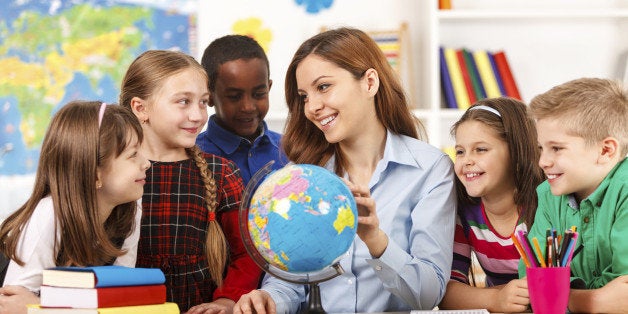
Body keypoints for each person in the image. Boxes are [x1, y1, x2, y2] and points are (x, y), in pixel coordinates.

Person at [233, 27, 457, 313]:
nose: (312, 107)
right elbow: (289, 281)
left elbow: (429, 295)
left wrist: (376, 240)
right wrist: (270, 300)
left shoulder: (430, 170)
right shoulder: (301, 177)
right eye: (304, 96)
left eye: (323, 87)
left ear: (369, 82)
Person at [119, 49, 261, 313]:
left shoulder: (221, 173)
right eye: (184, 101)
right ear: (141, 108)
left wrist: (226, 301)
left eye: (203, 102)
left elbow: (248, 254)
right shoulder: (113, 172)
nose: (198, 115)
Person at [0, 101, 149, 313]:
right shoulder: (50, 214)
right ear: (95, 173)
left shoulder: (130, 208)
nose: (147, 163)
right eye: (133, 154)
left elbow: (117, 302)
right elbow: (11, 306)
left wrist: (40, 308)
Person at [518, 77, 628, 313]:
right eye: (541, 148)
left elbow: (624, 291)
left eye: (556, 148)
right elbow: (531, 277)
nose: (542, 162)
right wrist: (594, 301)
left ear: (606, 150)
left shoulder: (625, 190)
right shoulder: (548, 193)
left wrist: (558, 294)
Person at [438, 98, 543, 312]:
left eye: (481, 149)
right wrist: (496, 299)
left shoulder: (546, 205)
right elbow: (446, 292)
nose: (467, 160)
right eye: (460, 151)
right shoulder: (465, 212)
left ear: (516, 151)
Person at [196, 34, 288, 187]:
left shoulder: (291, 150)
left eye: (259, 94)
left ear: (269, 88)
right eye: (234, 97)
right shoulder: (194, 157)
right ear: (209, 97)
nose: (248, 107)